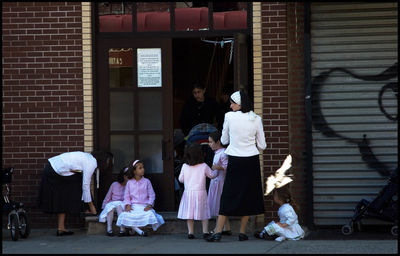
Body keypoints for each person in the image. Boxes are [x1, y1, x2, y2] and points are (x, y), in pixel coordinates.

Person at [206, 89, 267, 242]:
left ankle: (218, 231)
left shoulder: (229, 117)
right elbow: (262, 145)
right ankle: (242, 232)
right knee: (247, 194)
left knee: (228, 194)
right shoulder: (256, 118)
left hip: (235, 158)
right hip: (251, 159)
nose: (230, 105)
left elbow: (224, 140)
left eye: (232, 103)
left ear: (239, 104)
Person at [38, 150, 113, 236]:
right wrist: (92, 206)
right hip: (55, 171)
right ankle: (87, 209)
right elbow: (85, 185)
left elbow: (72, 166)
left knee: (64, 196)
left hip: (53, 168)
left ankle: (61, 228)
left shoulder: (88, 157)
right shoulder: (91, 163)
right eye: (108, 163)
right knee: (75, 187)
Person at [177, 143, 218, 239]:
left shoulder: (184, 166)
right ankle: (205, 232)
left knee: (189, 214)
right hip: (201, 193)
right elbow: (212, 175)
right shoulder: (203, 166)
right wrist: (216, 169)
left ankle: (190, 232)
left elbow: (180, 179)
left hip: (188, 193)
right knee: (204, 213)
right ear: (200, 155)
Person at [116, 160, 164, 237]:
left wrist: (149, 205)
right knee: (125, 215)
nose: (143, 169)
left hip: (144, 206)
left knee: (149, 214)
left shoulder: (147, 181)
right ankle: (136, 230)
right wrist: (128, 205)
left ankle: (134, 230)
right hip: (134, 206)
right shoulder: (129, 183)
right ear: (134, 171)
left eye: (143, 167)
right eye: (140, 168)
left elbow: (152, 195)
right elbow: (126, 196)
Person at [207, 131, 231, 235]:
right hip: (215, 182)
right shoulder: (217, 153)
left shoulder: (223, 153)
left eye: (211, 142)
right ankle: (227, 228)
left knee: (218, 206)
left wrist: (218, 167)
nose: (209, 144)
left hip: (220, 183)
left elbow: (227, 167)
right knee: (218, 205)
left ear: (218, 142)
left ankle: (218, 228)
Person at [98, 165, 130, 236]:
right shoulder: (114, 184)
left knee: (119, 206)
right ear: (123, 176)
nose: (128, 178)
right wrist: (104, 207)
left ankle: (122, 229)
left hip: (123, 205)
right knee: (110, 207)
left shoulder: (130, 185)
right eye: (127, 176)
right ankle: (109, 229)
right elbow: (108, 197)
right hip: (113, 204)